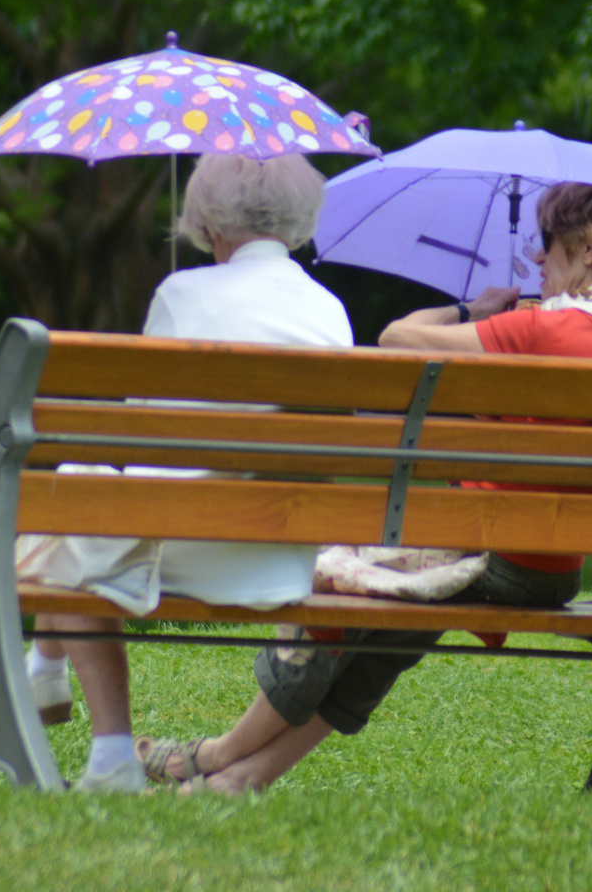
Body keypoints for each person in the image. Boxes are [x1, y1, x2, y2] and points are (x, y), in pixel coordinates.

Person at [144, 182, 592, 794]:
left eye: (549, 244)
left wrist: (470, 312)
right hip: (551, 567)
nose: (537, 259)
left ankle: (217, 754)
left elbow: (397, 340)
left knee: (341, 581)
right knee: (396, 624)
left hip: (495, 555)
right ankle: (244, 777)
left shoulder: (544, 331)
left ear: (587, 247)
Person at [17, 152, 353, 793]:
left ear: (208, 221)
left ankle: (101, 741)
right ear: (298, 217)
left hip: (179, 552)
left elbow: (145, 444)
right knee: (87, 499)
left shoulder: (181, 292)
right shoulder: (329, 311)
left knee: (77, 494)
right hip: (286, 559)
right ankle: (46, 669)